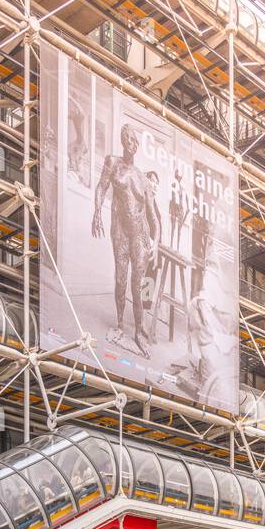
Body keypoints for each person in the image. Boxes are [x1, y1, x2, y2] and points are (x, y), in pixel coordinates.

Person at [92, 123, 160, 358]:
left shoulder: (143, 179)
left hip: (140, 236)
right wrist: (97, 211)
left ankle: (139, 331)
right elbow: (101, 187)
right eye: (129, 139)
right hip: (120, 231)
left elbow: (153, 217)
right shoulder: (113, 163)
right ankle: (121, 324)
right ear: (123, 141)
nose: (132, 144)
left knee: (137, 285)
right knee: (120, 280)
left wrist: (157, 243)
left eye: (135, 140)